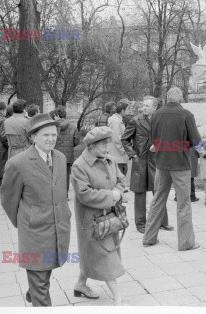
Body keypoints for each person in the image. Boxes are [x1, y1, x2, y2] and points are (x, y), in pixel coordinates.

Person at [0, 113, 71, 307]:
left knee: (45, 271)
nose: (51, 139)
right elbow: (8, 199)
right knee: (40, 280)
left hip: (58, 228)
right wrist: (26, 222)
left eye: (54, 135)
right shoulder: (18, 163)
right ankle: (38, 297)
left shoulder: (60, 157)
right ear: (33, 137)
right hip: (34, 232)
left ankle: (34, 290)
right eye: (45, 135)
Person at [71, 127, 126, 304]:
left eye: (107, 143)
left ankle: (80, 284)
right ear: (91, 146)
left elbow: (121, 181)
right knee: (105, 255)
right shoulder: (79, 165)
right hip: (91, 219)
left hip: (110, 216)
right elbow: (84, 194)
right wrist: (112, 196)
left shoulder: (110, 160)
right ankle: (118, 296)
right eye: (103, 144)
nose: (107, 148)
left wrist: (117, 193)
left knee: (93, 253)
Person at [142, 87, 200, 251]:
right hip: (180, 164)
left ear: (167, 98)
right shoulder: (186, 114)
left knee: (157, 200)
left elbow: (153, 138)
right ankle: (186, 242)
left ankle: (149, 237)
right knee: (183, 203)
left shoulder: (157, 115)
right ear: (180, 98)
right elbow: (195, 141)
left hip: (161, 163)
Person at [121, 96, 173, 234]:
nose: (143, 108)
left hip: (157, 160)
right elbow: (124, 139)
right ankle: (141, 224)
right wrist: (134, 156)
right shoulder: (136, 121)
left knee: (159, 191)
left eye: (147, 106)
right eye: (143, 105)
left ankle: (162, 222)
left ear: (155, 108)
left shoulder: (161, 120)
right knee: (140, 193)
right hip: (141, 160)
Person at [53, 105, 80, 193]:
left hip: (55, 153)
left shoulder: (53, 126)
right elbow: (76, 141)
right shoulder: (73, 127)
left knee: (55, 173)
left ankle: (57, 192)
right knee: (66, 174)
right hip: (68, 154)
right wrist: (70, 145)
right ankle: (65, 193)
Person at [108, 101, 129, 176]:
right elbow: (116, 138)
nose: (128, 112)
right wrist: (124, 151)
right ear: (123, 110)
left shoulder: (117, 120)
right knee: (120, 177)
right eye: (127, 109)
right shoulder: (115, 121)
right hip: (118, 156)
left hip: (118, 155)